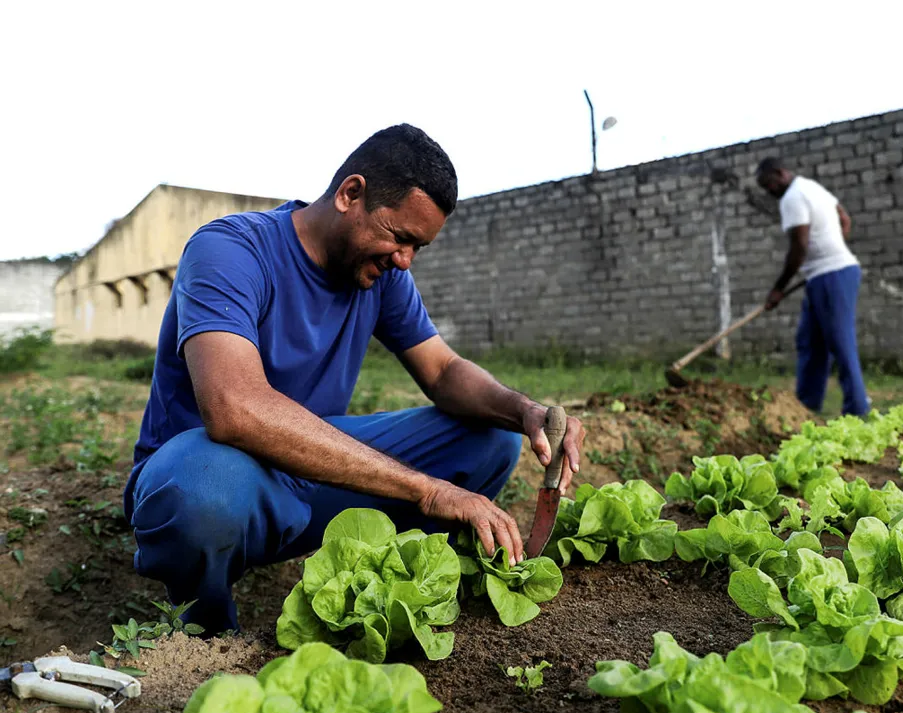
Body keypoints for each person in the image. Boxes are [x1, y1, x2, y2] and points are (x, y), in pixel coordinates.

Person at [124, 124, 587, 635]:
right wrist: (425, 489)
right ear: (351, 194)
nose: (405, 260)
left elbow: (443, 369)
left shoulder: (382, 273)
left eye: (419, 248)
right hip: (218, 476)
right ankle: (205, 640)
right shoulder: (231, 251)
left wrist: (522, 409)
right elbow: (234, 409)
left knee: (490, 435)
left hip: (315, 470)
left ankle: (382, 592)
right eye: (400, 237)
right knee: (201, 492)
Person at [755, 157, 870, 417]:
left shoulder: (792, 198)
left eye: (769, 184)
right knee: (810, 342)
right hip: (824, 275)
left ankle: (858, 408)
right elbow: (844, 218)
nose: (769, 192)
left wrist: (778, 288)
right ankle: (805, 407)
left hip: (832, 274)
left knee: (841, 342)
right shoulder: (811, 187)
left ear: (780, 172)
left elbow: (800, 246)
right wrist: (832, 245)